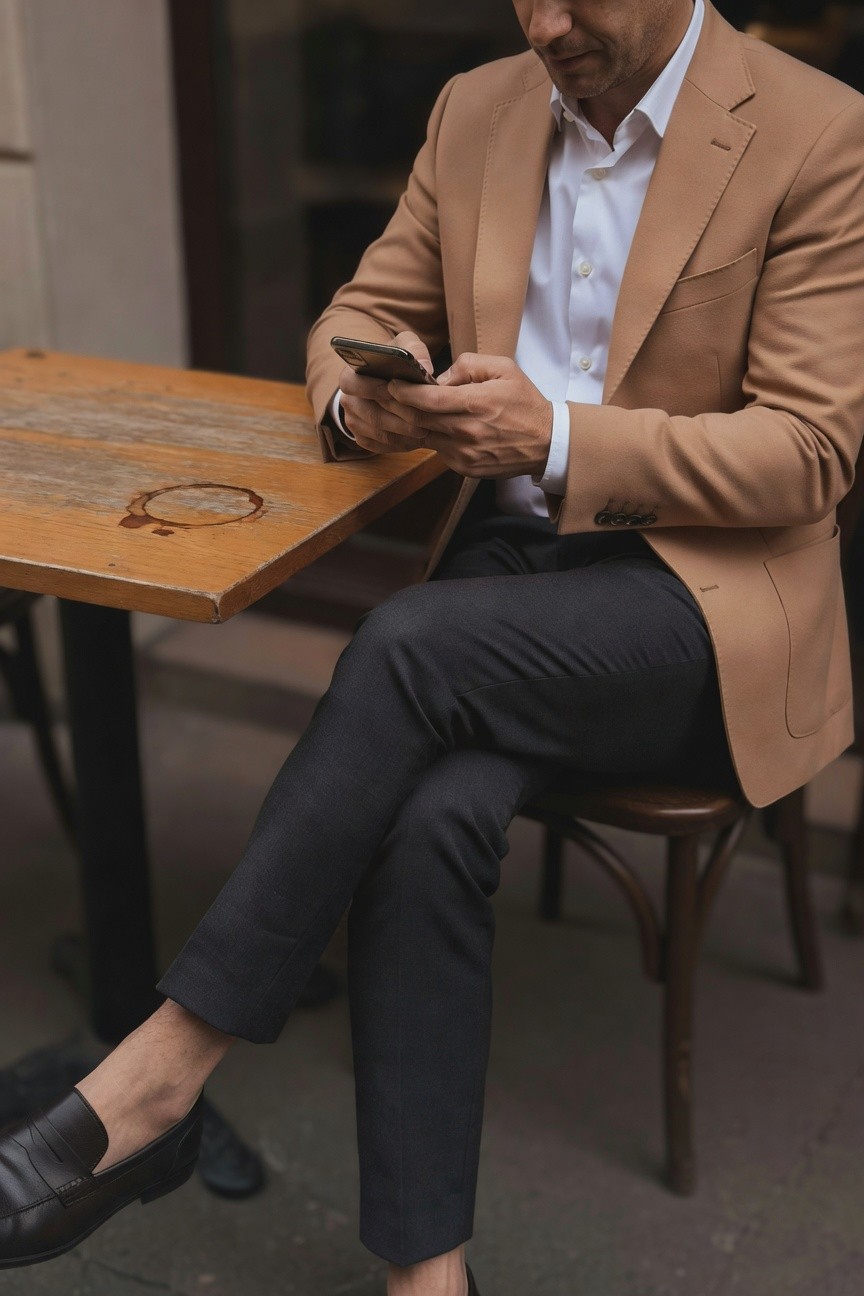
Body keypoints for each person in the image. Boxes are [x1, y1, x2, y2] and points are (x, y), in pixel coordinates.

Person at [2, 2, 863, 1293]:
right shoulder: (480, 106)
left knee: (407, 650)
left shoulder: (817, 132)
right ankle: (430, 1281)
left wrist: (560, 438)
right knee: (429, 812)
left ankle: (155, 1080)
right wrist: (365, 391)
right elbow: (357, 304)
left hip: (697, 599)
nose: (544, 21)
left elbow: (812, 452)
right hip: (499, 591)